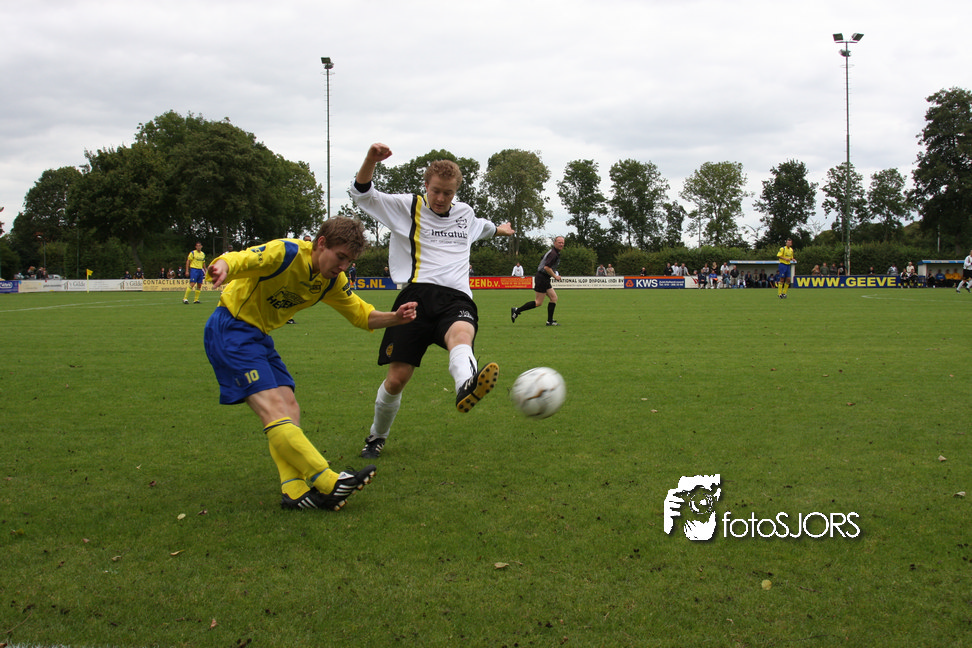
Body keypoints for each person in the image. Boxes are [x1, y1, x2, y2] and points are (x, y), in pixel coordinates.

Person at [203, 217, 418, 511]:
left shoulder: (331, 281)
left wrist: (396, 318)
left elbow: (361, 314)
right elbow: (242, 259)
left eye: (349, 261)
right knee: (273, 409)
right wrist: (222, 265)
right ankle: (327, 479)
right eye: (340, 257)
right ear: (321, 243)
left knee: (289, 407)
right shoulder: (286, 252)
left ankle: (293, 490)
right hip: (230, 329)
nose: (343, 266)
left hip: (258, 337)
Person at [350, 142, 515, 459]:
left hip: (456, 298)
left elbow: (484, 228)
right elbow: (363, 194)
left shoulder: (465, 214)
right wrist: (371, 160)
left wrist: (501, 229)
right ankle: (376, 437)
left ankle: (466, 386)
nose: (441, 198)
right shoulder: (407, 207)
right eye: (436, 191)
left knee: (462, 334)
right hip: (415, 297)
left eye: (448, 193)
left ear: (456, 192)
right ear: (426, 185)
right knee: (397, 380)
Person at [512, 236, 565, 326]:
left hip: (544, 277)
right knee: (538, 302)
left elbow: (543, 258)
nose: (561, 244)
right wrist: (555, 276)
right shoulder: (553, 254)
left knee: (553, 298)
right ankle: (517, 310)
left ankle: (550, 321)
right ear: (554, 243)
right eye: (559, 242)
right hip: (542, 278)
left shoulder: (552, 252)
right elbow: (547, 267)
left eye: (562, 243)